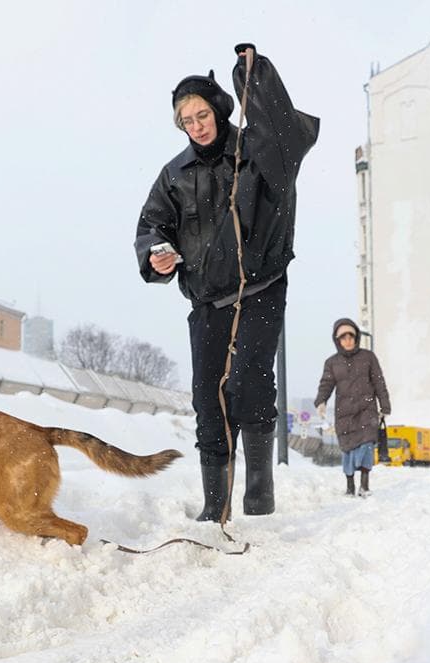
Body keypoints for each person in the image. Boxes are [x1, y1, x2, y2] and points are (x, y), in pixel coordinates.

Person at [134, 43, 319, 521]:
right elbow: (153, 225)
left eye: (201, 114)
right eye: (185, 121)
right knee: (207, 399)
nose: (195, 125)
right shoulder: (174, 174)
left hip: (260, 287)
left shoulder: (258, 153)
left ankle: (259, 488)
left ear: (218, 109)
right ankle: (215, 504)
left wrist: (253, 77)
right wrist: (156, 253)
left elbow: (285, 134)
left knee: (247, 383)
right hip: (207, 299)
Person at [313, 319, 391, 496]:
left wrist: (385, 406)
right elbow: (326, 384)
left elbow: (379, 382)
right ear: (337, 340)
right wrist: (321, 401)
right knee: (348, 449)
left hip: (367, 411)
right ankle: (350, 486)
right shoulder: (332, 362)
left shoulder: (368, 357)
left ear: (356, 337)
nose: (348, 340)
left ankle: (364, 485)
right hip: (344, 414)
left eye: (351, 336)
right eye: (343, 337)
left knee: (366, 447)